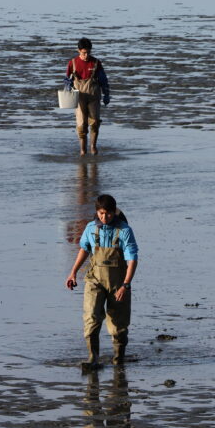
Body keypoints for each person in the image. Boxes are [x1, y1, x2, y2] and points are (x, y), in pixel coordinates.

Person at [65, 194, 138, 370]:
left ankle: (118, 358)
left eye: (109, 213)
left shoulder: (125, 231)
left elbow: (132, 259)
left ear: (114, 212)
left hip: (118, 283)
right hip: (94, 280)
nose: (105, 217)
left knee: (118, 326)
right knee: (91, 317)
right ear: (97, 212)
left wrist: (126, 285)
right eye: (102, 213)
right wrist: (73, 272)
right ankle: (93, 357)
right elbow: (84, 249)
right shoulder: (90, 229)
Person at [66, 37, 111, 155]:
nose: (86, 55)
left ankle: (93, 147)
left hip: (93, 95)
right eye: (84, 53)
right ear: (79, 51)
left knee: (95, 121)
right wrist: (68, 85)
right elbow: (68, 79)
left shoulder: (96, 62)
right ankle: (82, 150)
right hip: (79, 97)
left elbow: (103, 80)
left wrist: (106, 93)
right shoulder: (73, 63)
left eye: (88, 52)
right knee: (81, 125)